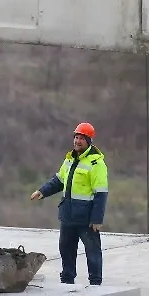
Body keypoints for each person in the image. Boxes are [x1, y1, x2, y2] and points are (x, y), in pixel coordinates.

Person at [30, 122, 109, 285]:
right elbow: (59, 180)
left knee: (92, 251)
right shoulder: (70, 160)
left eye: (81, 138)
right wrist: (42, 191)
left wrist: (97, 219)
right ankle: (67, 280)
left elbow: (101, 194)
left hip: (86, 219)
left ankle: (95, 282)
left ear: (88, 141)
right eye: (76, 137)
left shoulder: (96, 164)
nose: (77, 141)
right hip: (68, 215)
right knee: (66, 249)